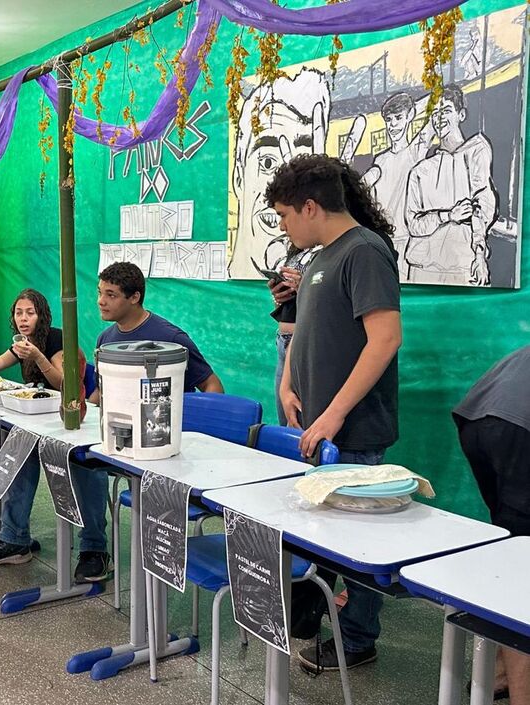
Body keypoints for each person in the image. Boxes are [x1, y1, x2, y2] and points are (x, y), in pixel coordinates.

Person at [268, 154, 402, 672]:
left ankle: (357, 640)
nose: (282, 225)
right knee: (326, 536)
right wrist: (287, 382)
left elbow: (385, 338)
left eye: (284, 215)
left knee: (358, 544)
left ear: (309, 206)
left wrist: (334, 415)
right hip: (315, 426)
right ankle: (318, 619)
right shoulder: (320, 256)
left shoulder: (364, 251)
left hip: (353, 430)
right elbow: (304, 330)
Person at [0, 289, 108, 582]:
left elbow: (66, 383)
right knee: (17, 452)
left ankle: (95, 549)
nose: (23, 318)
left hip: (75, 420)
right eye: (18, 313)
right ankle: (14, 539)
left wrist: (38, 357)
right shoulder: (21, 344)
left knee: (85, 465)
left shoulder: (58, 340)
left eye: (30, 312)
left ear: (42, 315)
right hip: (41, 420)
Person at [453, 347, 530, 705]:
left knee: (513, 551)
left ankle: (499, 673)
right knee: (524, 573)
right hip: (518, 428)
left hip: (477, 418)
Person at [227, 68, 331, 279]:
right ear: (238, 176)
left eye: (302, 167)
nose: (282, 225)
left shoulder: (356, 252)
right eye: (267, 162)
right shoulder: (297, 262)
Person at [405, 84, 498, 286]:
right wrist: (447, 216)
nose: (440, 118)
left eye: (446, 110)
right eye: (435, 113)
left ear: (461, 115)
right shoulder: (420, 171)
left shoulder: (476, 151)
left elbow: (483, 205)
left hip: (464, 267)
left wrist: (480, 254)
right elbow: (413, 224)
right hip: (422, 269)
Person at [90, 261, 224, 400]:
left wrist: (199, 417)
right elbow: (101, 392)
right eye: (100, 292)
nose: (101, 301)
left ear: (135, 297)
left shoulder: (172, 339)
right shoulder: (105, 340)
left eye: (111, 295)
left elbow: (211, 384)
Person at [360, 91, 434, 274]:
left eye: (398, 118)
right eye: (389, 120)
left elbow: (431, 121)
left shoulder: (415, 152)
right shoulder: (381, 159)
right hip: (383, 240)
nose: (393, 125)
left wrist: (414, 106)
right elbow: (369, 179)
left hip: (407, 238)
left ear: (410, 116)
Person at [267, 246, 316, 424]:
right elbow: (295, 303)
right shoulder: (299, 246)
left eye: (283, 216)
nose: (282, 227)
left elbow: (325, 298)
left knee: (299, 422)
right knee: (286, 419)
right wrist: (280, 294)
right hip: (285, 339)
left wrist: (305, 287)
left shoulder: (333, 249)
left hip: (305, 340)